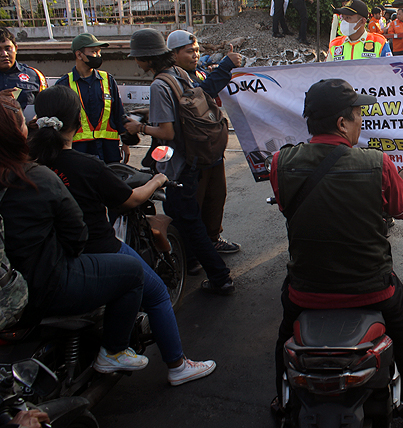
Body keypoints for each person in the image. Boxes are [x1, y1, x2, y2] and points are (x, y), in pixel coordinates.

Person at [270, 79, 403, 427]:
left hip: (306, 288)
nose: (361, 119)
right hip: (372, 287)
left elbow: (286, 204)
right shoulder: (378, 163)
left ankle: (281, 398)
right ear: (341, 122)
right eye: (357, 113)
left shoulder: (280, 162)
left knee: (284, 332)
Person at [28, 85, 217, 386]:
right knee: (154, 292)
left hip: (50, 253)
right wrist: (156, 180)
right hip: (97, 248)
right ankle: (177, 365)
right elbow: (129, 199)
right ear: (78, 120)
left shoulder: (29, 164)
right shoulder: (85, 165)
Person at [0, 97, 150, 373]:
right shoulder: (38, 177)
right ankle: (115, 350)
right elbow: (77, 235)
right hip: (42, 284)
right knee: (132, 272)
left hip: (12, 278)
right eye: (22, 121)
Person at [123, 29, 234, 295]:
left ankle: (220, 278)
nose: (137, 63)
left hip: (178, 164)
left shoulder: (159, 85)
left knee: (188, 221)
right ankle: (194, 264)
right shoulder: (179, 74)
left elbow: (167, 132)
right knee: (188, 219)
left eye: (138, 58)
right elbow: (181, 109)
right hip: (195, 157)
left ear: (148, 59)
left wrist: (138, 128)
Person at [166, 30, 242, 258]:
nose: (195, 55)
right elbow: (203, 93)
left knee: (215, 196)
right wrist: (225, 67)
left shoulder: (196, 73)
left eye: (197, 50)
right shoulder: (173, 78)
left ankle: (213, 239)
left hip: (211, 148)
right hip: (193, 152)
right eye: (190, 51)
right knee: (194, 204)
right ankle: (192, 251)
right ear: (173, 54)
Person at [54, 33, 127, 164]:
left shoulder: (107, 80)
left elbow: (118, 113)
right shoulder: (64, 84)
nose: (98, 56)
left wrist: (126, 142)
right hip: (79, 151)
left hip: (108, 151)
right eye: (93, 52)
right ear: (79, 55)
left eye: (99, 52)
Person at [326, 0, 392, 61]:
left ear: (362, 21)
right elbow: (327, 70)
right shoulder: (335, 44)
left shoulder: (379, 42)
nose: (344, 21)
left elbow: (390, 70)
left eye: (348, 18)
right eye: (342, 18)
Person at [0, 27, 47, 113]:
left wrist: (38, 120)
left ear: (16, 48)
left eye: (8, 49)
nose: (4, 54)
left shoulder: (35, 75)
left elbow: (46, 107)